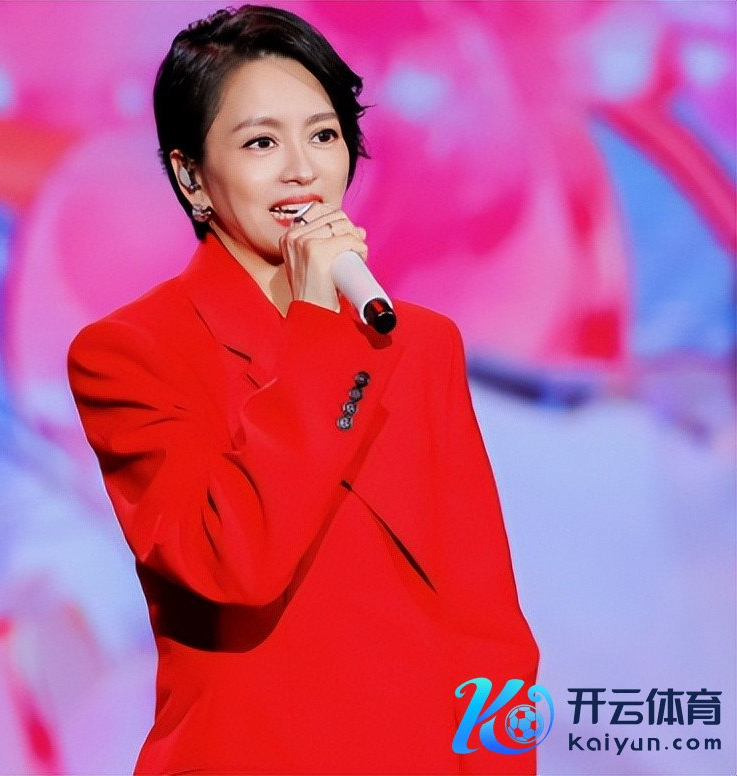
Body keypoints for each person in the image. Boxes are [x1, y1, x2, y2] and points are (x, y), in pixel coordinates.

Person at [67, 5, 539, 774]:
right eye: (261, 142)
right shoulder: (129, 354)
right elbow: (234, 562)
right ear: (191, 175)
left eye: (323, 135)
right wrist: (319, 332)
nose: (303, 169)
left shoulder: (418, 343)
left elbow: (484, 619)